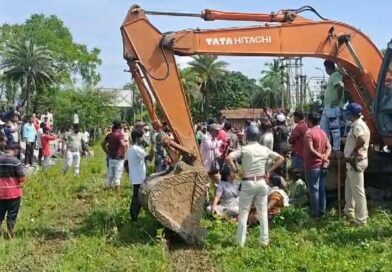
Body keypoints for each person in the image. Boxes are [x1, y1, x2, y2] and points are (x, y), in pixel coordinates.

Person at [226, 125, 284, 247]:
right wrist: (269, 171)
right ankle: (264, 241)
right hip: (262, 182)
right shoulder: (264, 149)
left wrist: (236, 170)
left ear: (247, 136)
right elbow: (280, 158)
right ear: (258, 136)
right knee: (262, 212)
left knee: (243, 213)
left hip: (248, 182)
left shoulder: (244, 149)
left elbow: (229, 157)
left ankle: (240, 243)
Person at [343, 103, 370, 225]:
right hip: (353, 163)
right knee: (349, 189)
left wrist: (353, 152)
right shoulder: (360, 124)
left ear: (351, 113)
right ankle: (349, 213)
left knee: (358, 192)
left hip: (355, 162)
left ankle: (361, 219)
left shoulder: (357, 125)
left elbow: (361, 139)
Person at [303, 112, 332, 218]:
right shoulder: (322, 132)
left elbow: (311, 150)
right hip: (322, 165)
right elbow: (329, 147)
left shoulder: (309, 133)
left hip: (312, 166)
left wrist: (321, 157)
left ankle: (315, 214)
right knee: (321, 189)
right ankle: (322, 211)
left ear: (310, 121)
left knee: (314, 190)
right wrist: (325, 157)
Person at [0, 143, 26, 239]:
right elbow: (22, 178)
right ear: (16, 150)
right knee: (12, 215)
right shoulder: (16, 162)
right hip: (13, 193)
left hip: (0, 193)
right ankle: (10, 235)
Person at [128, 129, 154, 222]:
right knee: (137, 198)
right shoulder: (137, 149)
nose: (143, 139)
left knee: (137, 197)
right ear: (137, 138)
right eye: (141, 137)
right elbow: (150, 158)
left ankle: (134, 217)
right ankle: (134, 217)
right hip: (139, 177)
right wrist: (153, 146)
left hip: (135, 177)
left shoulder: (131, 148)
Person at [320, 60, 344, 151]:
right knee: (323, 129)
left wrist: (337, 99)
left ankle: (336, 149)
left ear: (328, 68)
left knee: (334, 130)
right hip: (328, 107)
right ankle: (325, 147)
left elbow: (340, 86)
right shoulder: (332, 76)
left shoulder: (335, 75)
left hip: (333, 106)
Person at [102, 120, 126, 192]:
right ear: (120, 126)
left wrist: (107, 152)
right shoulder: (120, 135)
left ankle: (108, 189)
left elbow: (103, 144)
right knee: (117, 176)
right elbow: (122, 144)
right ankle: (117, 193)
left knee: (110, 175)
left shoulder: (109, 135)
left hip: (111, 157)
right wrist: (125, 150)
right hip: (118, 157)